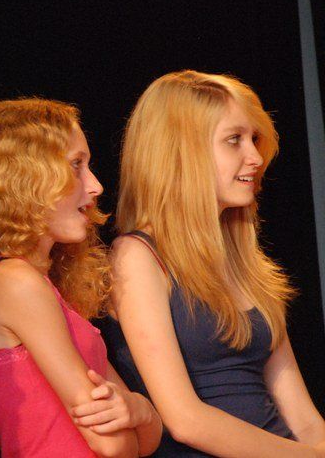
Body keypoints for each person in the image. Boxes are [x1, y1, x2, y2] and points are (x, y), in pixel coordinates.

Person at [0, 98, 162, 457]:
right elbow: (113, 445)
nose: (95, 186)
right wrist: (142, 413)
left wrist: (140, 411)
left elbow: (144, 441)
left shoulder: (36, 282)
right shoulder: (14, 282)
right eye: (76, 165)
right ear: (24, 178)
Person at [101, 70, 325, 457]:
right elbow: (186, 420)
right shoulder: (137, 258)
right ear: (181, 151)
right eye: (234, 140)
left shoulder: (245, 263)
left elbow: (304, 420)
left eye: (254, 139)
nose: (255, 158)